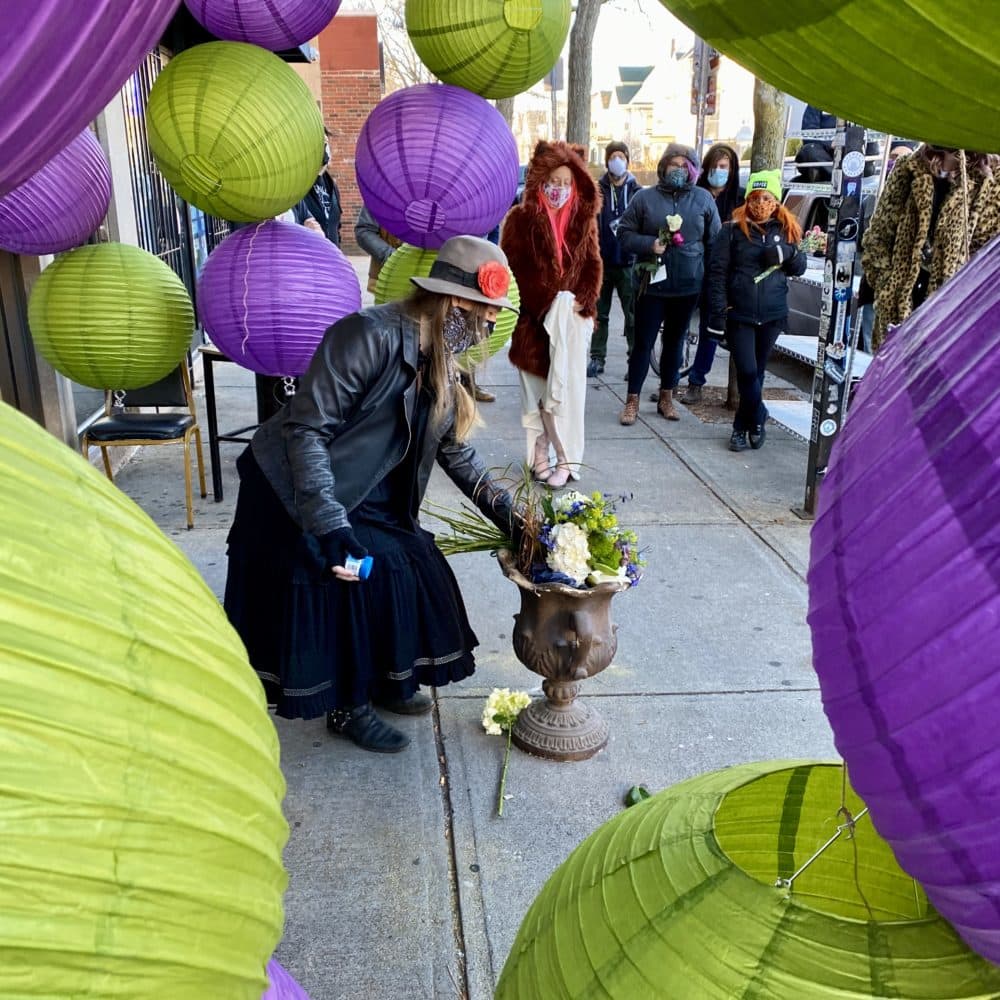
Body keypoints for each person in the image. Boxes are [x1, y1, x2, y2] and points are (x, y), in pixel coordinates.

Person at [223, 236, 521, 753]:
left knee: (413, 563)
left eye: (494, 313)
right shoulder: (367, 335)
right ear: (451, 302)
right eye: (484, 311)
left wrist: (514, 518)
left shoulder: (443, 356)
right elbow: (308, 431)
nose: (490, 324)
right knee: (350, 579)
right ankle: (348, 703)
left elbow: (454, 453)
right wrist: (330, 528)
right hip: (294, 489)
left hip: (366, 486)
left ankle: (385, 677)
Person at [502, 140, 602, 489]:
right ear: (539, 182)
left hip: (570, 324)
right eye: (552, 181)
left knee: (564, 397)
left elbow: (592, 264)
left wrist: (584, 301)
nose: (558, 189)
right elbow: (513, 273)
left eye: (565, 182)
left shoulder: (583, 220)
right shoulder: (519, 221)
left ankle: (566, 456)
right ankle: (539, 453)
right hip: (532, 324)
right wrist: (548, 303)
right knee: (538, 397)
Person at [616, 143, 720, 425]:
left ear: (692, 170)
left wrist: (711, 285)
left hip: (687, 287)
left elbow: (715, 245)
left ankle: (666, 397)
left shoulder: (703, 200)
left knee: (675, 343)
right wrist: (649, 244)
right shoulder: (644, 198)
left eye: (683, 165)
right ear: (663, 166)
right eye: (673, 164)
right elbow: (624, 233)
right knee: (643, 342)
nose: (678, 170)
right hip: (651, 287)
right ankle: (632, 400)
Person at [861, 144, 1000, 351]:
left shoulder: (990, 179)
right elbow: (878, 237)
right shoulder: (909, 168)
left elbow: (989, 258)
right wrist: (886, 285)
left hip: (952, 319)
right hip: (899, 310)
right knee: (896, 378)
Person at [706, 170, 806, 452]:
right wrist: (718, 312)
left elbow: (799, 266)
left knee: (758, 371)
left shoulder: (786, 229)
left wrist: (789, 254)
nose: (760, 203)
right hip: (740, 314)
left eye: (766, 198)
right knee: (747, 372)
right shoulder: (731, 231)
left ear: (776, 201)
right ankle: (759, 414)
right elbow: (716, 274)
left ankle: (742, 427)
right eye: (754, 198)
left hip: (772, 315)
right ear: (747, 200)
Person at [679, 142, 744, 403]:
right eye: (714, 166)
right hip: (692, 268)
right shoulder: (694, 195)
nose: (719, 171)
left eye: (724, 167)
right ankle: (670, 381)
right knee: (678, 325)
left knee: (710, 330)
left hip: (720, 276)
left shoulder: (739, 198)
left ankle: (696, 381)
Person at [588, 140, 640, 378]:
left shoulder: (637, 191)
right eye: (612, 157)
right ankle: (597, 358)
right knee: (600, 314)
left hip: (629, 262)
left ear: (627, 159)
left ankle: (634, 359)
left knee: (632, 316)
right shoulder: (597, 190)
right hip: (602, 262)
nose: (616, 161)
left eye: (620, 156)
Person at [292, 130, 342, 246]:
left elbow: (336, 225)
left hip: (331, 258)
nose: (326, 149)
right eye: (322, 144)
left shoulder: (330, 184)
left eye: (326, 143)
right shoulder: (298, 186)